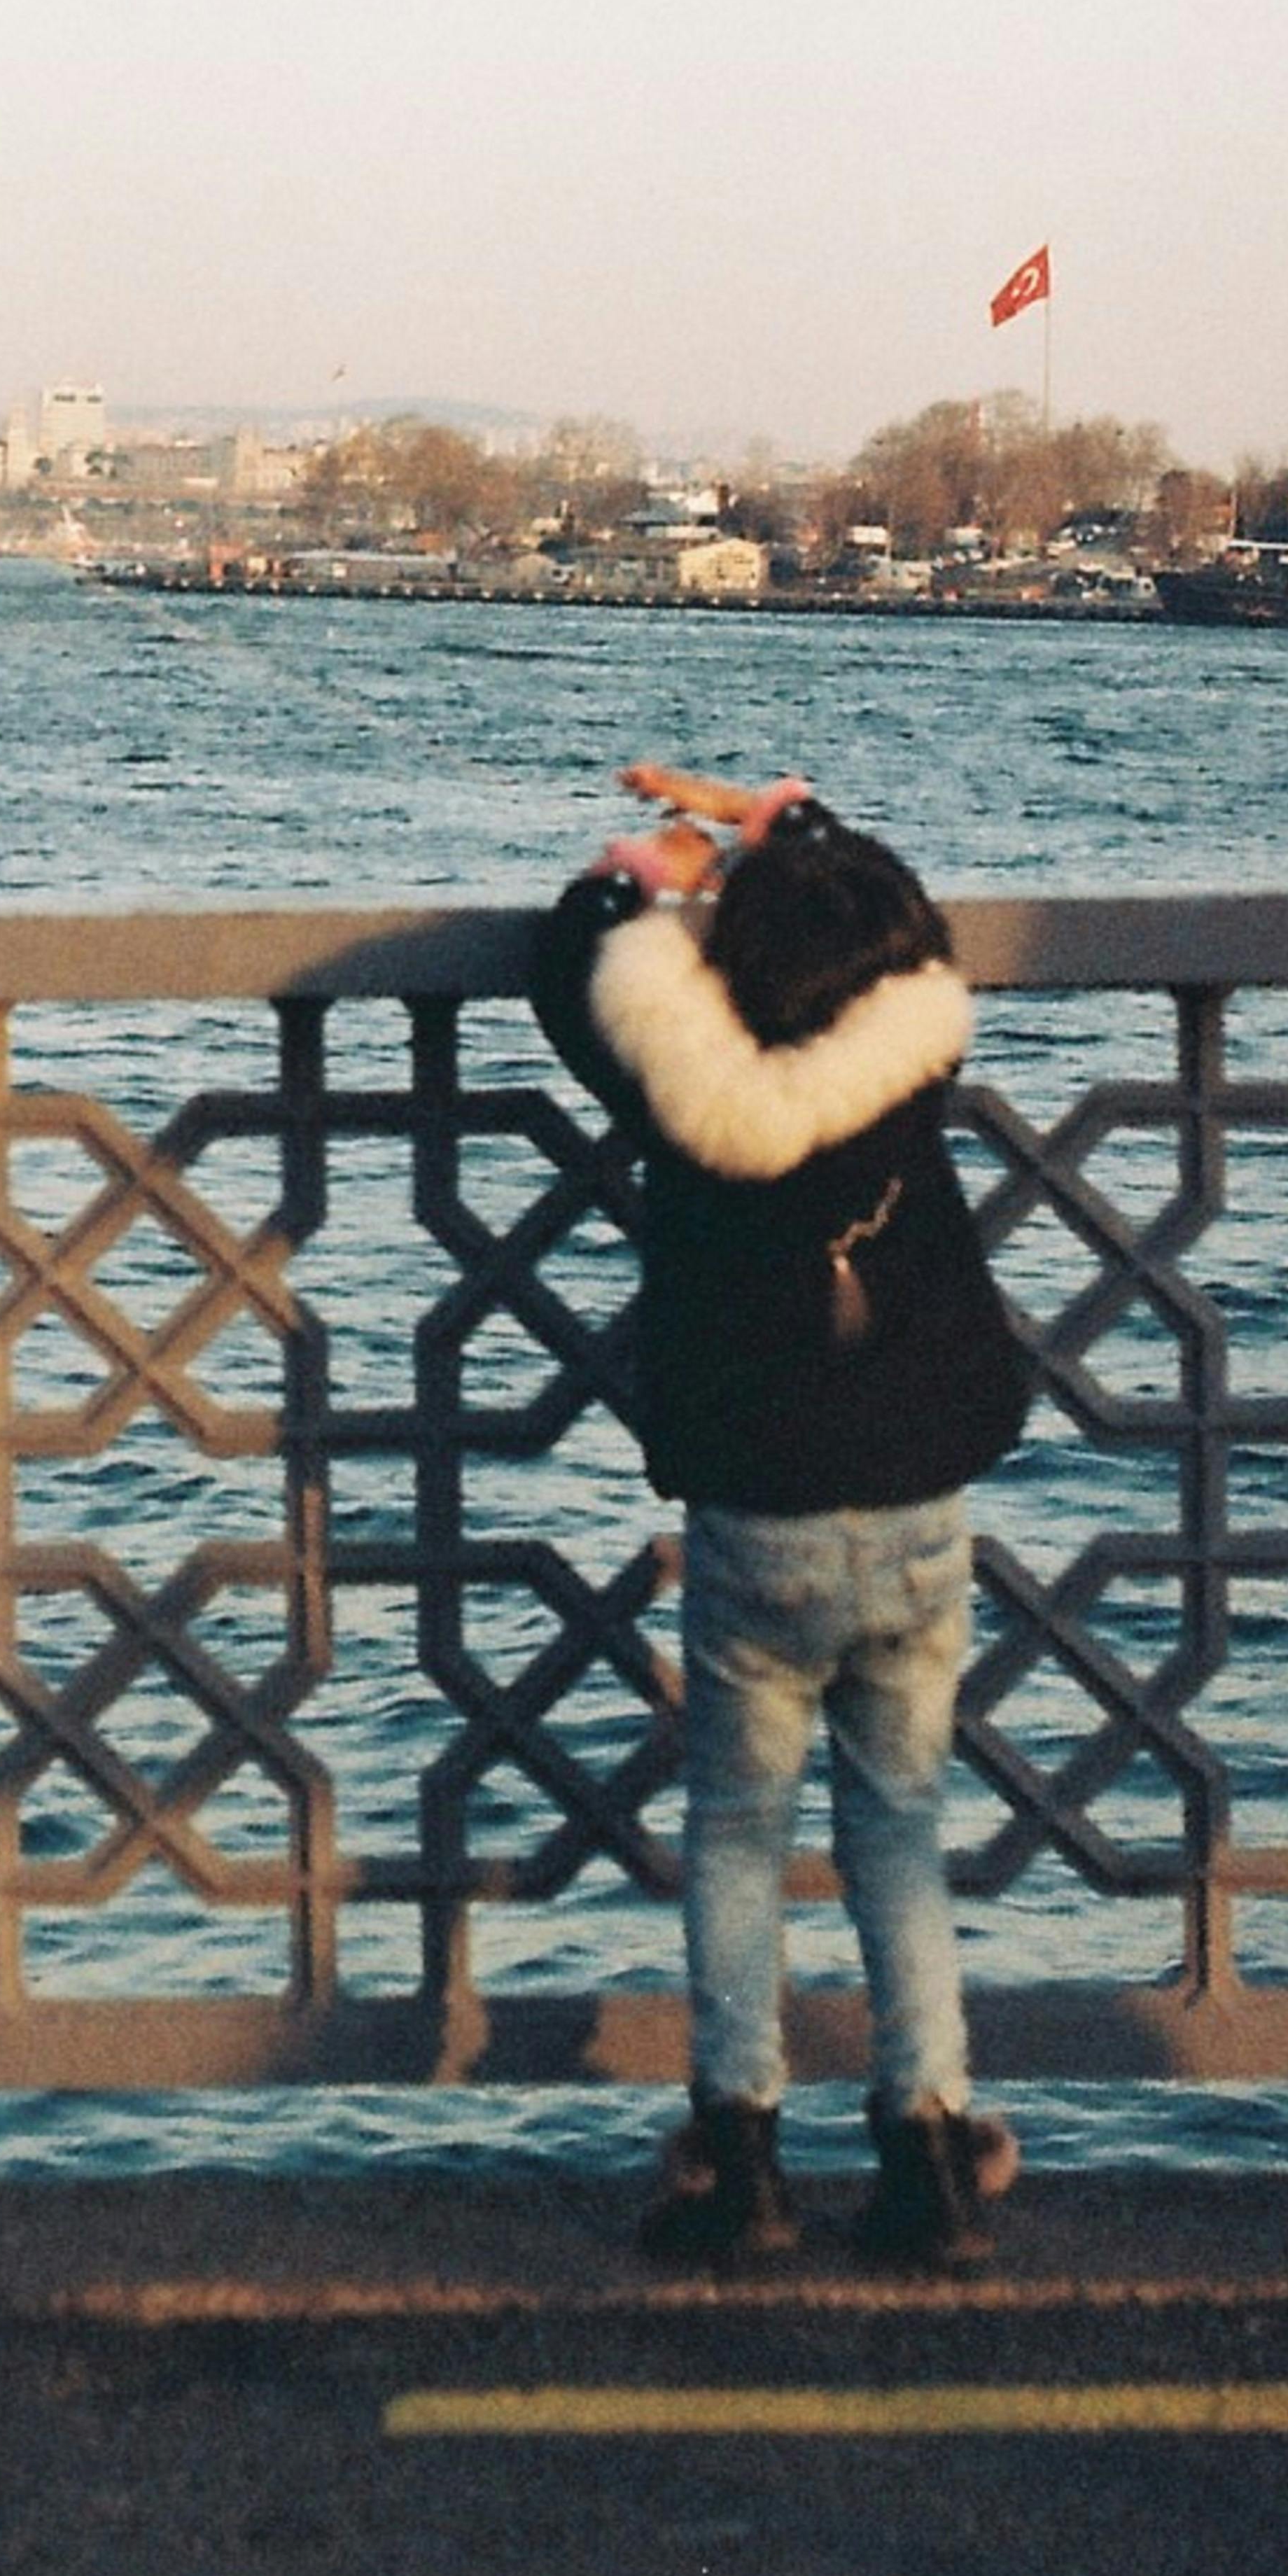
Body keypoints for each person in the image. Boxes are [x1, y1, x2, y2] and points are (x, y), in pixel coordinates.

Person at [531, 763, 1033, 2271]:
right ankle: (931, 2153)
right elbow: (899, 915)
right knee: (901, 1832)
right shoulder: (911, 1049)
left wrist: (649, 865)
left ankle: (740, 2163)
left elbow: (574, 963)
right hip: (916, 1501)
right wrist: (780, 826)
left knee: (739, 1833)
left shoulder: (680, 1083)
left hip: (756, 1513)